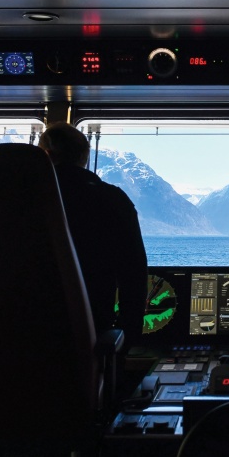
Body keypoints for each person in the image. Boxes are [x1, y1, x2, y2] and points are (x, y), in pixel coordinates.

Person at [39, 122, 148, 342]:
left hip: (22, 331)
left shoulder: (23, 198)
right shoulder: (113, 199)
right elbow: (133, 272)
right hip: (91, 330)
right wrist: (128, 338)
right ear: (84, 158)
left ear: (47, 156)